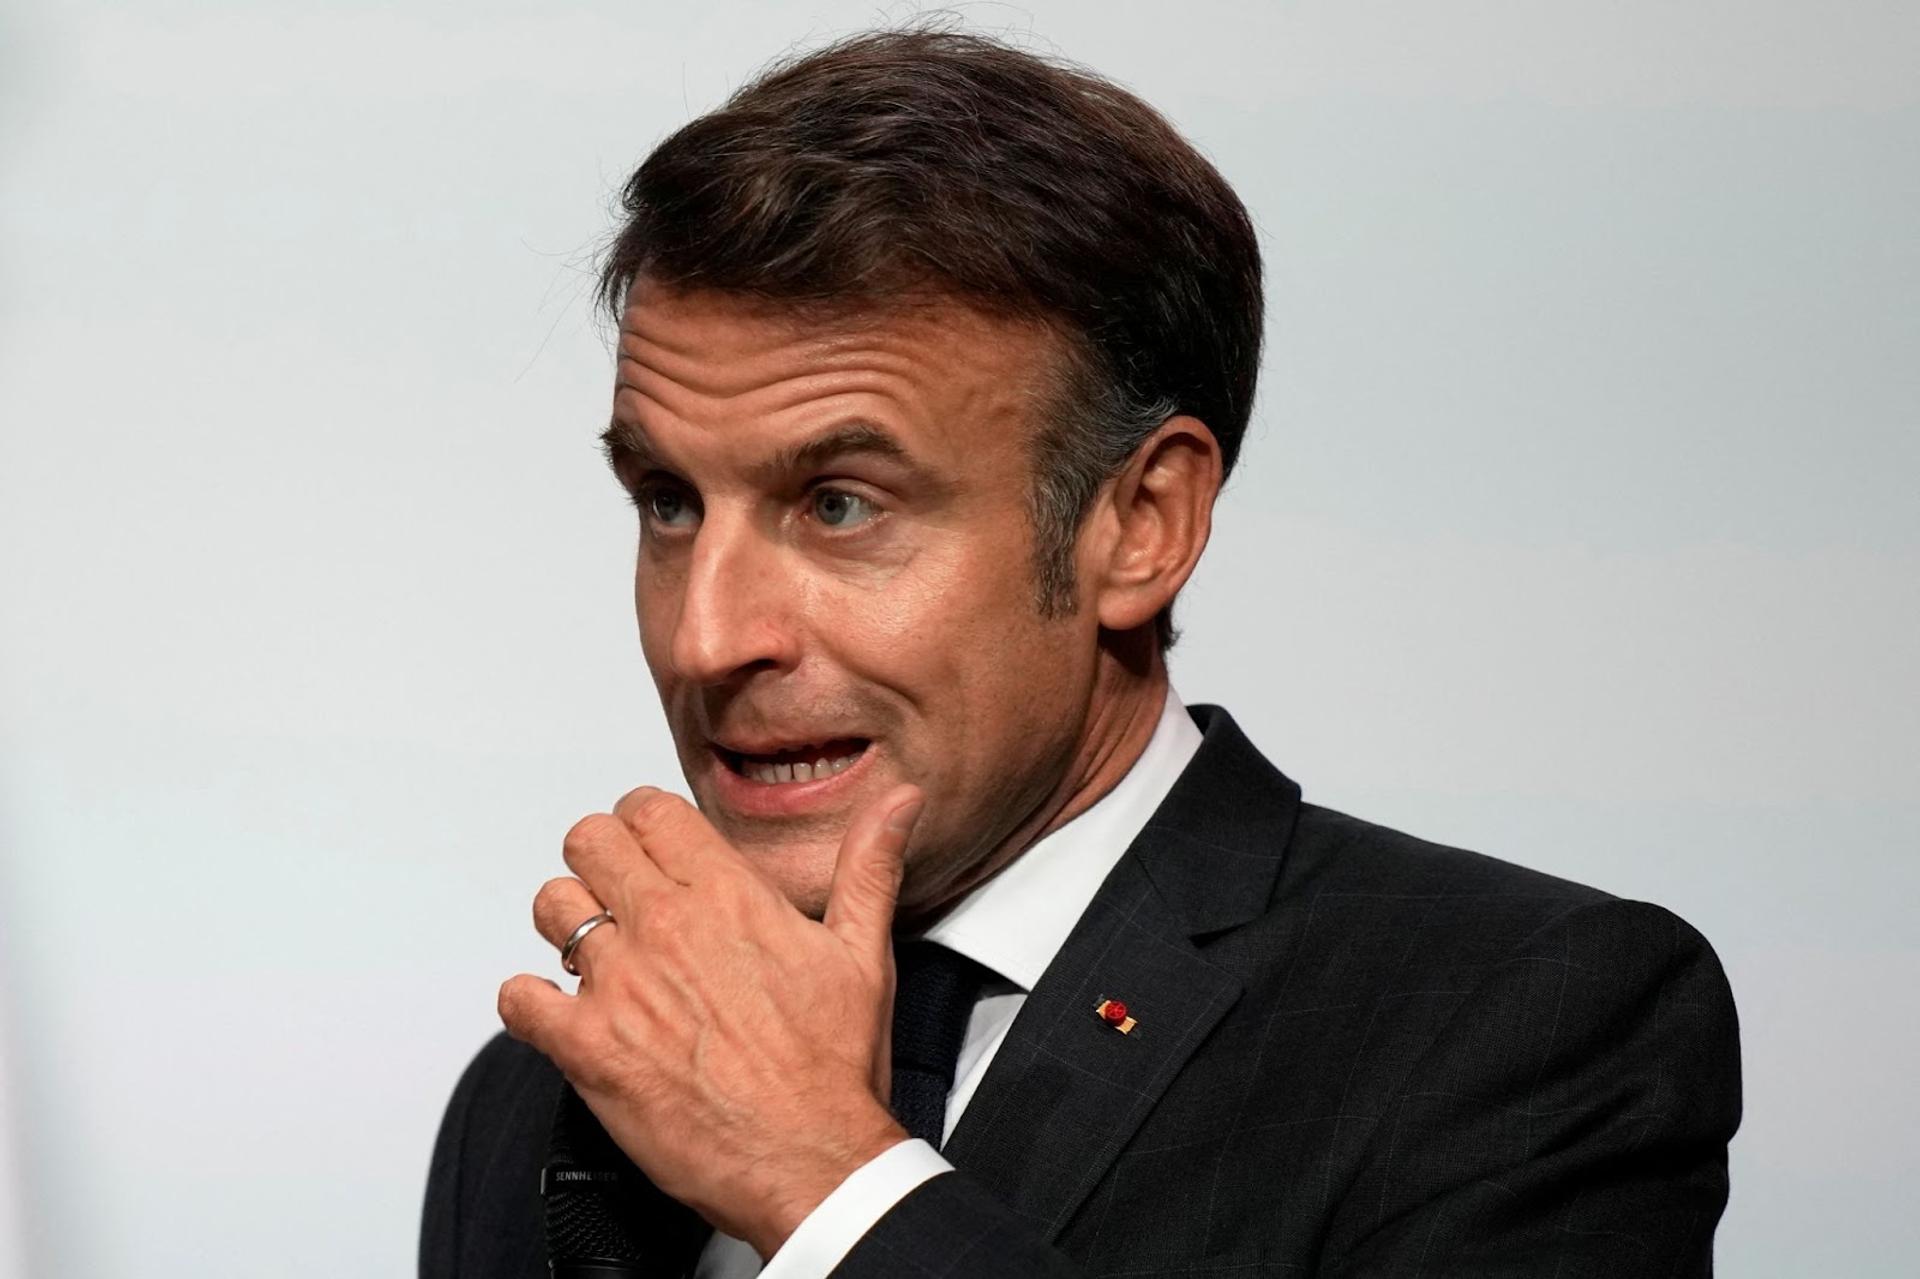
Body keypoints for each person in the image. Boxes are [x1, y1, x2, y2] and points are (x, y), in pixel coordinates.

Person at [419, 27, 1741, 1279]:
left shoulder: (1518, 1023)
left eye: (841, 504)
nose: (707, 638)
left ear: (1140, 526)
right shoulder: (546, 1094)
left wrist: (826, 1184)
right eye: (667, 501)